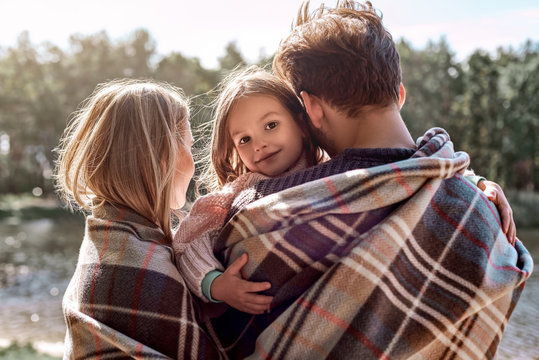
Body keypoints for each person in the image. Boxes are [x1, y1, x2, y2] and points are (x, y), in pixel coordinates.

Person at [204, 1, 532, 359]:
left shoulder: (267, 212)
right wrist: (475, 180)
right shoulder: (485, 216)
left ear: (311, 109)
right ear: (400, 93)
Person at [55, 79, 221, 358]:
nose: (193, 161)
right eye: (190, 147)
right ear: (162, 158)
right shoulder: (141, 266)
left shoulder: (106, 238)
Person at [173, 66, 324, 313]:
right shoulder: (238, 193)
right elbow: (187, 244)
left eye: (271, 125)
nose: (260, 144)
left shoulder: (336, 167)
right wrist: (217, 284)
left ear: (302, 124)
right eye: (244, 139)